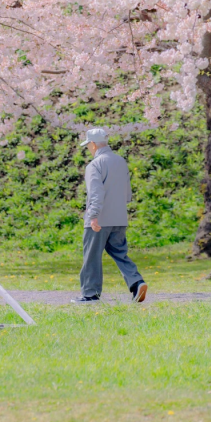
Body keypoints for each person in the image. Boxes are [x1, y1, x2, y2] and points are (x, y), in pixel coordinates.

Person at [71, 127, 147, 304]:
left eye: (88, 145)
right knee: (120, 253)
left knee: (91, 255)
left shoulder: (95, 165)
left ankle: (90, 294)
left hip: (100, 219)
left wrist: (93, 216)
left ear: (93, 145)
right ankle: (137, 282)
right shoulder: (120, 161)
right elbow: (127, 193)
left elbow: (96, 193)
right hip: (119, 217)